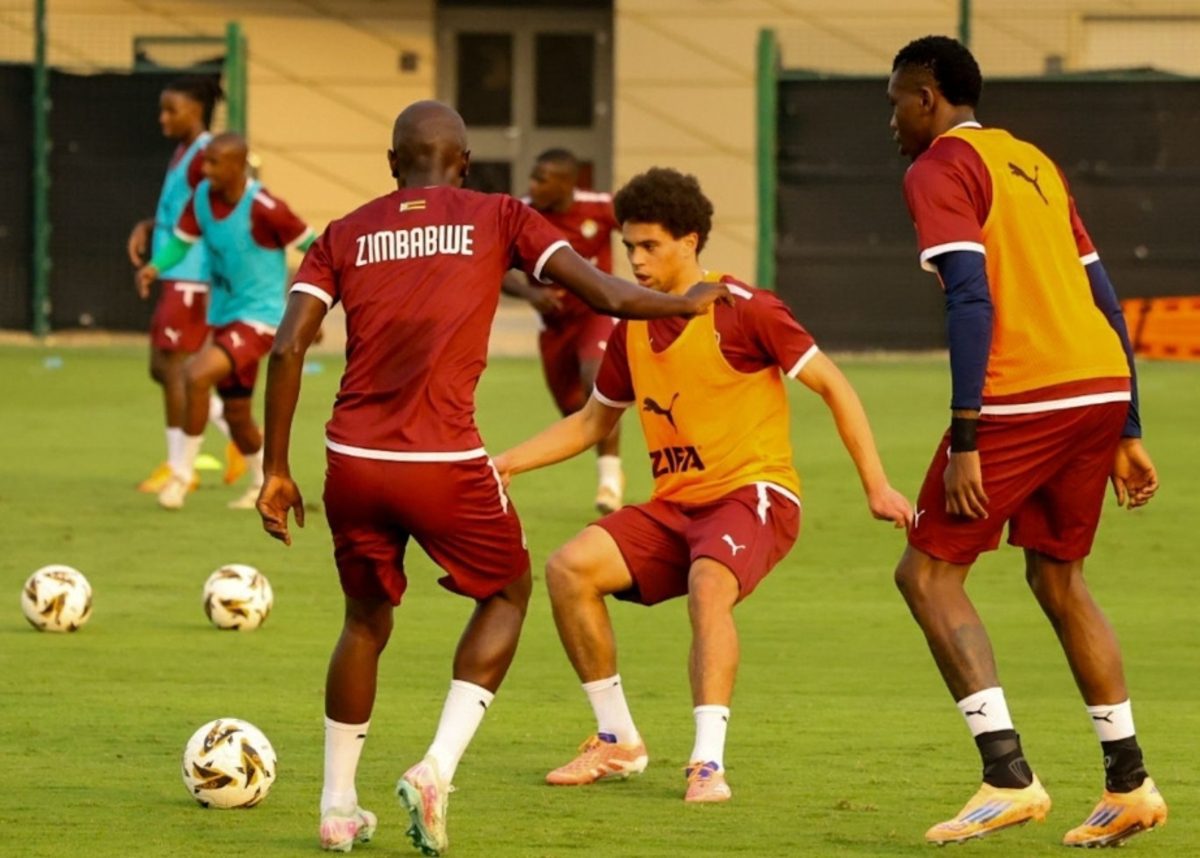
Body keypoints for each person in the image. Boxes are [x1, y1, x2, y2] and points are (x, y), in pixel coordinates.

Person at [254, 102, 730, 855]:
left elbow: (286, 350)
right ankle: (437, 767)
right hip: (442, 463)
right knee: (507, 592)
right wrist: (682, 301)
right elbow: (602, 294)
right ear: (466, 164)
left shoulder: (344, 233)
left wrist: (276, 469)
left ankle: (337, 808)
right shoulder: (499, 215)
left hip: (352, 460)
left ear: (390, 163)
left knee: (363, 623)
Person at [494, 167, 913, 803]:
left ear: (690, 242)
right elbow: (589, 423)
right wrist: (500, 466)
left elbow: (834, 384)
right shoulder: (630, 323)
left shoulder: (745, 309)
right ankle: (616, 741)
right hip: (676, 508)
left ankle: (707, 764)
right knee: (569, 569)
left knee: (708, 582)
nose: (633, 260)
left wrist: (876, 487)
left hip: (755, 493)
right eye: (628, 246)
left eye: (649, 246)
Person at [886, 35, 1166, 848]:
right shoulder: (1032, 162)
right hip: (1095, 387)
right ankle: (1130, 785)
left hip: (1023, 395)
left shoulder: (938, 167)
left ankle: (1007, 776)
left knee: (928, 572)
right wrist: (1128, 424)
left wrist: (968, 432)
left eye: (897, 100)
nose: (892, 119)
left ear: (929, 98)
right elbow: (1103, 295)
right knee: (1059, 579)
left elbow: (969, 297)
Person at [137, 132, 314, 511]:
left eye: (215, 162)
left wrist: (310, 308)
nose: (206, 168)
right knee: (237, 417)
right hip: (224, 317)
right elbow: (181, 242)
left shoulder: (267, 208)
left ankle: (180, 477)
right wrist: (155, 266)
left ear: (239, 165)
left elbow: (314, 247)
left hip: (260, 320)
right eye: (206, 161)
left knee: (195, 375)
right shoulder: (201, 198)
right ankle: (264, 483)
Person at [126, 76, 244, 493]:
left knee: (173, 367)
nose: (163, 118)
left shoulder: (205, 156)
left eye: (171, 110)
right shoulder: (184, 152)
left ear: (196, 111)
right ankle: (234, 437)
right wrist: (150, 225)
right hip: (175, 272)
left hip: (192, 277)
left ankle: (180, 469)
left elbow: (216, 212)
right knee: (164, 369)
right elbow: (181, 210)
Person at [502, 149, 625, 513]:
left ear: (568, 183)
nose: (533, 185)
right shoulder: (519, 214)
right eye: (533, 177)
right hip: (554, 328)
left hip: (594, 315)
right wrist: (529, 293)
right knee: (575, 412)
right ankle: (605, 465)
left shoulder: (600, 207)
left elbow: (642, 228)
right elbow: (498, 270)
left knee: (595, 380)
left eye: (542, 178)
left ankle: (610, 482)